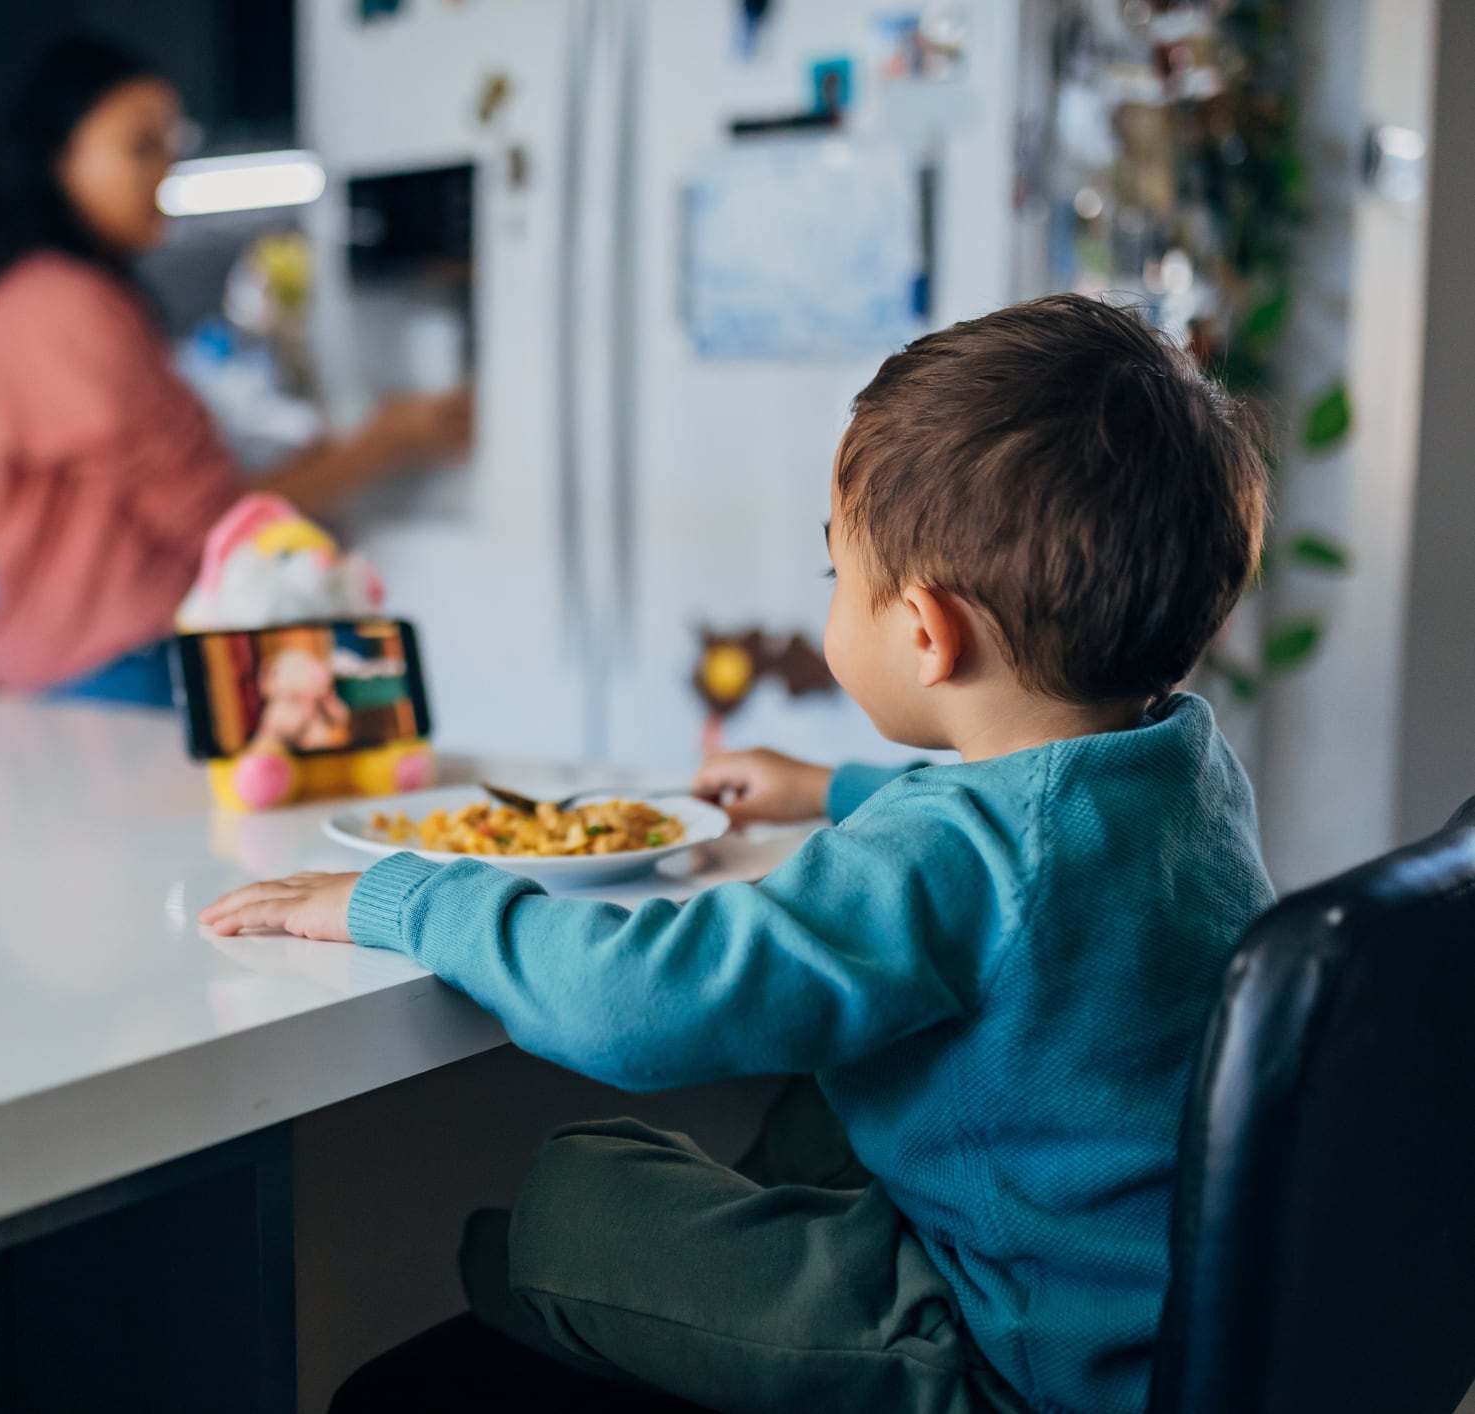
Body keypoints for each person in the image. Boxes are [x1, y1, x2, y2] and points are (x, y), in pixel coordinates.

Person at [203, 294, 1276, 1414]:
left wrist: (413, 897)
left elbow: (641, 998)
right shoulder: (1185, 773)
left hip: (1013, 1363)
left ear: (926, 629)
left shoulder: (946, 862)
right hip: (1151, 1314)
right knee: (832, 1096)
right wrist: (829, 789)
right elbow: (1033, 842)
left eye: (835, 577)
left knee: (573, 1193)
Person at [0, 37, 470, 705]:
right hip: (105, 675)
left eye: (171, 145)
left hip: (81, 672)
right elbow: (213, 517)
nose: (167, 170)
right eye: (140, 146)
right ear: (58, 157)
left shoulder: (47, 297)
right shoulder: (60, 305)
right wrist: (390, 439)